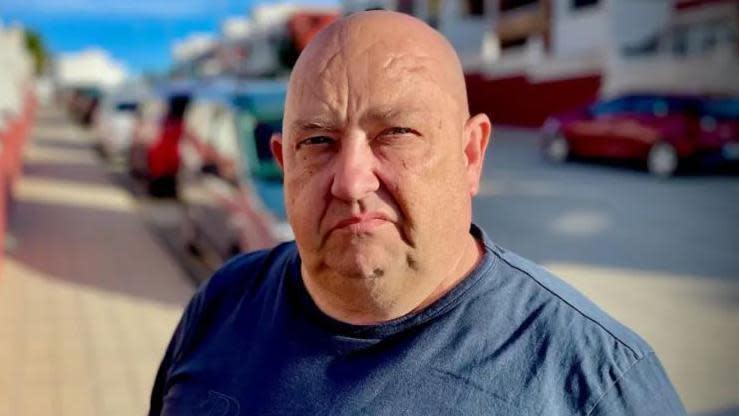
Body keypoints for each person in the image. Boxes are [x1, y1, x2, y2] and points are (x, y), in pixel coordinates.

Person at [150, 11, 686, 415]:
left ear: (470, 154)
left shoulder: (594, 384)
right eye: (316, 140)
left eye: (397, 134)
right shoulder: (221, 306)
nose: (351, 180)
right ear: (283, 162)